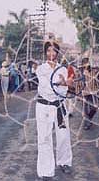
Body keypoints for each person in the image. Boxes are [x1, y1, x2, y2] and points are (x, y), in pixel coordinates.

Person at [35, 41, 73, 180]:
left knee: (63, 135)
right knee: (44, 138)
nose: (51, 53)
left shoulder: (63, 69)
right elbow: (46, 88)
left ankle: (64, 162)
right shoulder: (40, 69)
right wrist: (61, 83)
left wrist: (65, 84)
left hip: (59, 106)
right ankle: (46, 171)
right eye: (49, 50)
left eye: (54, 51)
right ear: (45, 52)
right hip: (43, 106)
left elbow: (64, 90)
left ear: (58, 52)